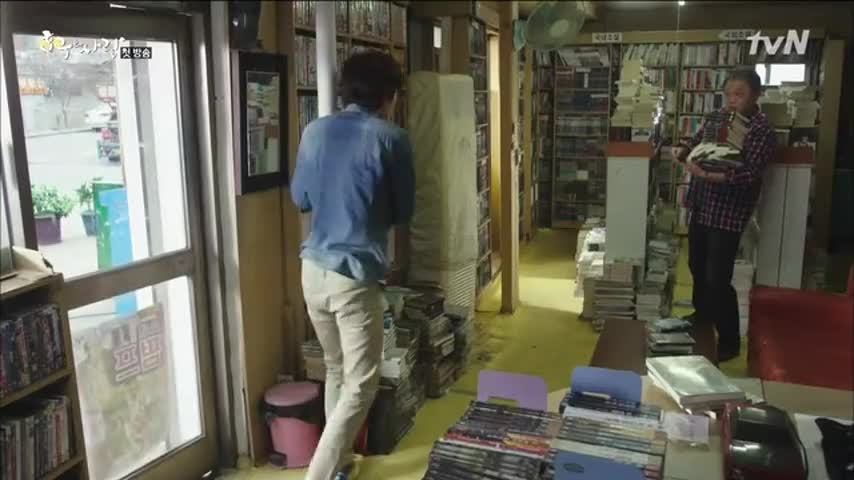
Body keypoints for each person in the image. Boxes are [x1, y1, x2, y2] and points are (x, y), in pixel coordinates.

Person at [289, 51, 414, 480]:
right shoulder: (392, 139)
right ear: (389, 94)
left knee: (337, 370)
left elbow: (301, 199)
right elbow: (403, 211)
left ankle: (340, 463)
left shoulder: (314, 131)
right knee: (362, 383)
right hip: (355, 275)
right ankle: (320, 474)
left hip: (312, 270)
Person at [671, 69, 775, 362]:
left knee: (718, 277)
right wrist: (683, 152)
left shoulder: (761, 130)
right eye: (728, 94)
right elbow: (695, 141)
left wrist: (708, 174)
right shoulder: (717, 117)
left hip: (728, 211)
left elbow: (750, 174)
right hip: (703, 204)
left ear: (756, 95)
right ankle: (702, 318)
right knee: (695, 264)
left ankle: (729, 339)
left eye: (739, 94)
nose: (732, 100)